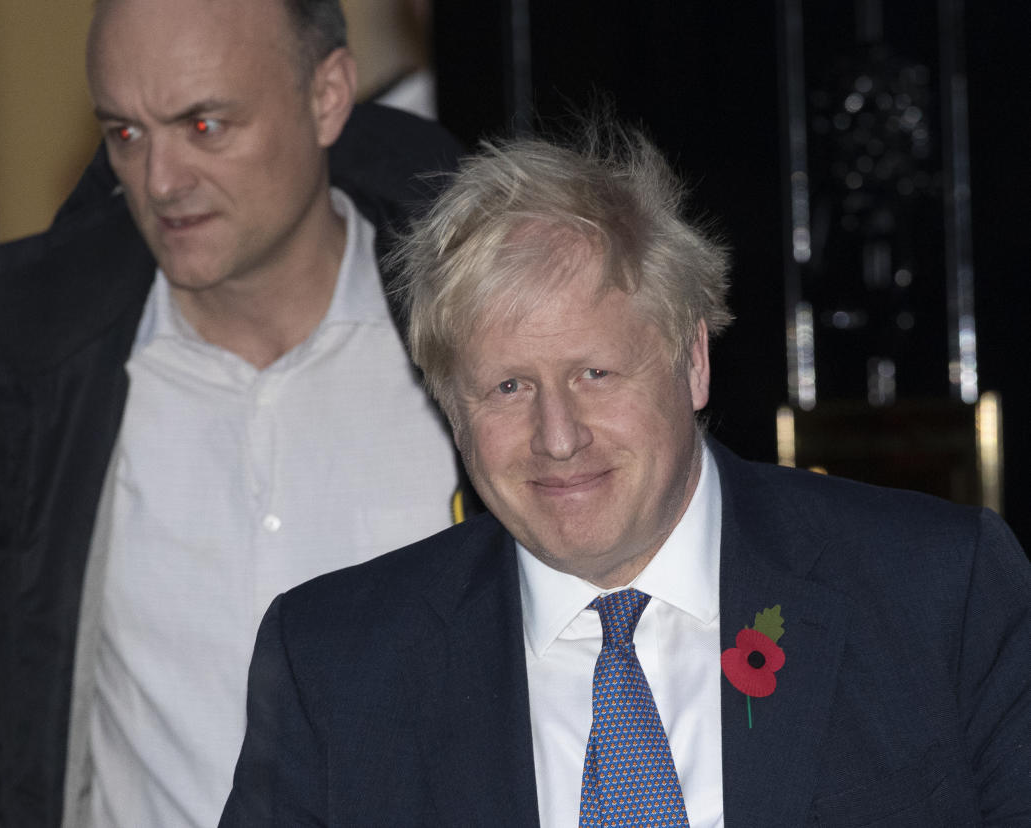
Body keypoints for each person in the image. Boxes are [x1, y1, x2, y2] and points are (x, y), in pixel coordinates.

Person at [221, 124, 1031, 826]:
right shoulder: (335, 665)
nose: (559, 437)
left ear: (693, 360)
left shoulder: (938, 594)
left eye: (596, 374)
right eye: (508, 387)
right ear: (450, 408)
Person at [0, 0, 475, 825]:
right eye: (126, 135)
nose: (159, 182)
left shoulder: (480, 348)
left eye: (205, 125)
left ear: (327, 96)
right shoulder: (38, 386)